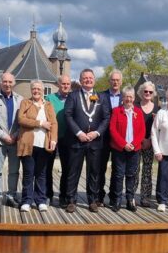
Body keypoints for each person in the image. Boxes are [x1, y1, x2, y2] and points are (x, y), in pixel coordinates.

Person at [64, 68, 110, 213]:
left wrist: (96, 133)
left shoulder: (102, 97)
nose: (88, 80)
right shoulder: (73, 96)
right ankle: (71, 200)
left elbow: (106, 118)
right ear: (80, 79)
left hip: (95, 141)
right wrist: (79, 133)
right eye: (85, 78)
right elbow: (68, 115)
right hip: (77, 140)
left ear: (94, 80)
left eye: (90, 78)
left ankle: (92, 200)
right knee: (73, 171)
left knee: (94, 172)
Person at [17, 80, 58, 212]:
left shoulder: (48, 105)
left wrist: (53, 139)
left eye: (39, 89)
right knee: (29, 173)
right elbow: (21, 120)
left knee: (41, 173)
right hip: (28, 144)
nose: (36, 91)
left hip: (43, 144)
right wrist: (40, 123)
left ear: (42, 91)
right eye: (34, 89)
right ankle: (27, 201)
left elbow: (54, 123)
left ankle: (40, 200)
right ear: (31, 90)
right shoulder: (25, 103)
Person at [0, 73, 24, 209]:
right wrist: (3, 135)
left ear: (13, 83)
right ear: (0, 82)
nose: (7, 84)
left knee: (14, 171)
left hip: (15, 140)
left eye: (10, 82)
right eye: (5, 81)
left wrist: (15, 135)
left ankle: (11, 196)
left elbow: (22, 121)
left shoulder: (20, 99)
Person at [108, 85, 145, 212]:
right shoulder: (116, 111)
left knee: (131, 175)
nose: (128, 99)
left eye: (131, 97)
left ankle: (130, 199)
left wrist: (133, 144)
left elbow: (142, 131)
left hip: (134, 150)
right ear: (122, 98)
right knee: (118, 175)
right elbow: (112, 129)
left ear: (134, 98)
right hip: (119, 149)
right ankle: (117, 200)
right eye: (126, 97)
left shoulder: (138, 112)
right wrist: (124, 144)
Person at [45, 74, 72, 208]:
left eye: (68, 84)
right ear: (58, 85)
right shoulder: (49, 98)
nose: (65, 86)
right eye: (63, 84)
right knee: (47, 167)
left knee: (67, 168)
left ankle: (63, 196)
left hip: (68, 138)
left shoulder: (74, 98)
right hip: (52, 137)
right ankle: (48, 195)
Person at [99, 69, 123, 206]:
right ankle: (99, 196)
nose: (115, 82)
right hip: (103, 137)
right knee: (100, 167)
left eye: (117, 80)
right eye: (113, 80)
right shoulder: (101, 96)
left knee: (117, 169)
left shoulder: (125, 97)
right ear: (109, 81)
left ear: (121, 82)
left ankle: (114, 196)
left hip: (118, 138)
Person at [134, 81, 158, 207]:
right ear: (141, 92)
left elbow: (158, 127)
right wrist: (140, 139)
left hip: (150, 142)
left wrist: (149, 140)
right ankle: (131, 195)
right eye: (145, 91)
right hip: (137, 142)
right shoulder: (135, 106)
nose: (148, 93)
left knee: (147, 170)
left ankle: (145, 197)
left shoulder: (156, 107)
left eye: (150, 92)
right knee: (135, 169)